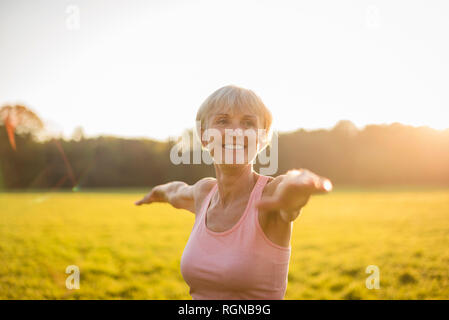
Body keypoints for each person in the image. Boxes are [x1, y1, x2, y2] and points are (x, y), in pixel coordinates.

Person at [135, 85, 332, 299]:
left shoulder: (270, 194)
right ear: (203, 136)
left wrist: (300, 184)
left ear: (262, 138)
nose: (236, 132)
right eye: (222, 121)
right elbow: (174, 191)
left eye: (248, 123)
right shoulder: (204, 193)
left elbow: (289, 189)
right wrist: (155, 194)